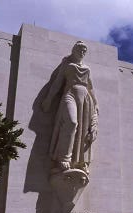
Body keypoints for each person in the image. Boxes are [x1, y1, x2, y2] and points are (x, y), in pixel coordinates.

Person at [42, 41, 99, 175]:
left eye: (85, 50)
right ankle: (64, 158)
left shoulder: (87, 68)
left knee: (84, 130)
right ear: (74, 49)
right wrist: (49, 99)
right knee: (72, 123)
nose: (82, 52)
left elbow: (91, 88)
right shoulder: (67, 64)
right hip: (70, 94)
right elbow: (57, 83)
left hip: (85, 98)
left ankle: (80, 161)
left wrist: (96, 104)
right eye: (80, 49)